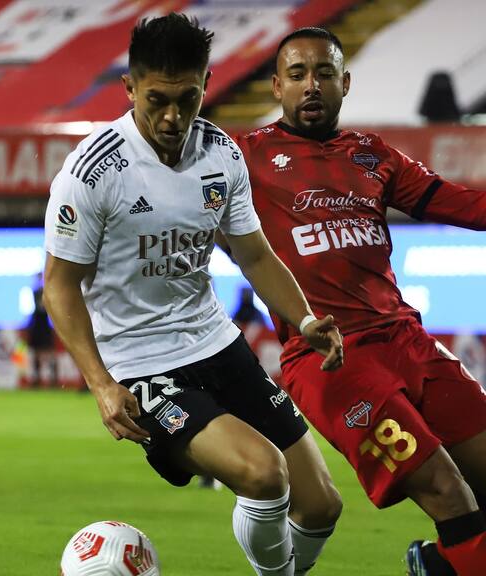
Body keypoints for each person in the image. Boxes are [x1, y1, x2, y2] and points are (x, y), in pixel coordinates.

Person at [43, 14, 345, 576]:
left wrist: (303, 320)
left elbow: (253, 253)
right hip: (141, 365)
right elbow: (58, 289)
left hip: (217, 345)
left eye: (189, 98)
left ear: (206, 84)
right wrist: (102, 384)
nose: (173, 116)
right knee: (263, 473)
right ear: (129, 87)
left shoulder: (220, 154)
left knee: (322, 504)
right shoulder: (92, 171)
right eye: (157, 98)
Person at [233, 27, 486, 575]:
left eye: (324, 72)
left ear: (344, 82)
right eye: (297, 74)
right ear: (276, 86)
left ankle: (439, 567)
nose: (312, 85)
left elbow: (464, 204)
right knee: (448, 492)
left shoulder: (373, 154)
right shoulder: (242, 161)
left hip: (410, 343)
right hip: (332, 360)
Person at [25, 272, 57, 388]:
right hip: (38, 324)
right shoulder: (36, 291)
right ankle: (37, 379)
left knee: (49, 353)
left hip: (43, 324)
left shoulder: (45, 291)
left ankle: (53, 379)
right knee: (37, 353)